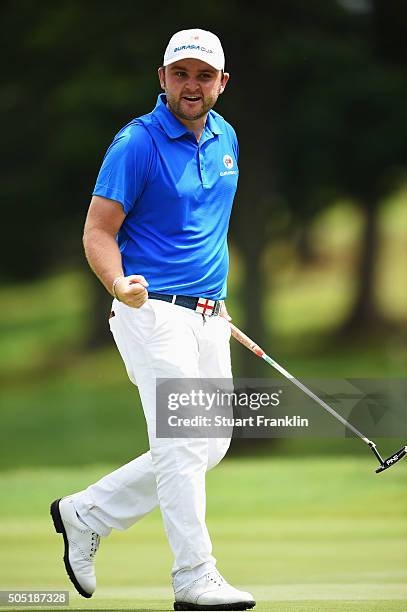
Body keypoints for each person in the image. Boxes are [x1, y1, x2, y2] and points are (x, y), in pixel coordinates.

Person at [50, 28, 255, 611]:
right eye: (181, 74)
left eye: (204, 75)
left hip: (208, 314)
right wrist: (119, 284)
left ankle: (85, 513)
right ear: (162, 79)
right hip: (149, 310)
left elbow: (202, 230)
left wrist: (212, 302)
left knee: (208, 444)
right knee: (184, 438)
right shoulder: (135, 143)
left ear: (222, 83)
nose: (192, 86)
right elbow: (98, 231)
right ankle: (194, 576)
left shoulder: (227, 138)